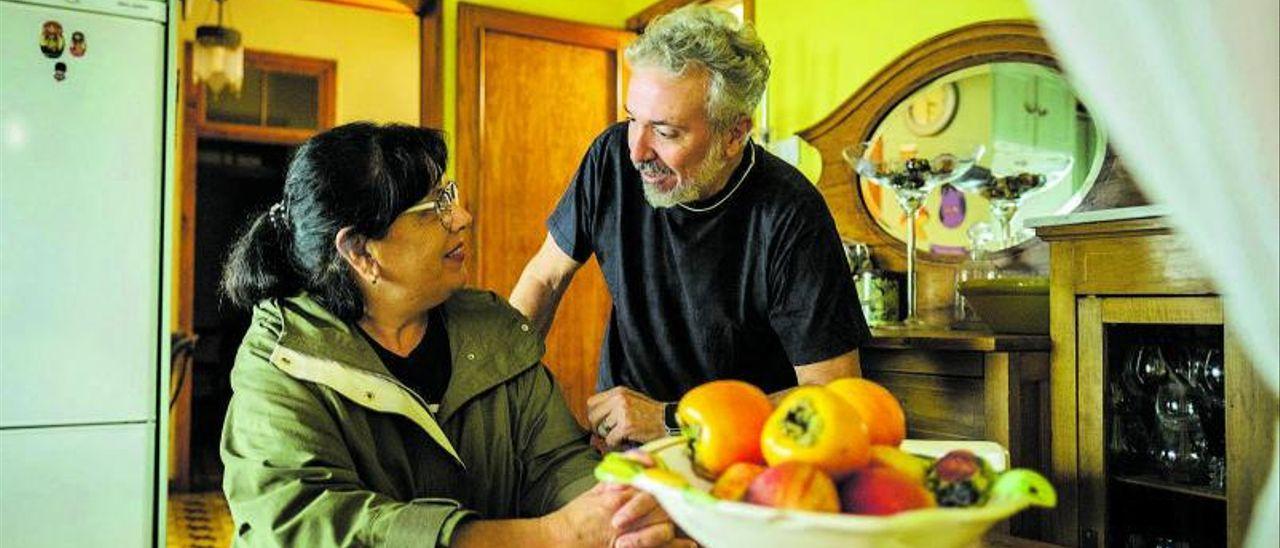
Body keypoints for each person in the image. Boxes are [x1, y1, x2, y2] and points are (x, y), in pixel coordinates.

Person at [219, 122, 688, 547]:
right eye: (433, 208)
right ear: (360, 251)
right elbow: (310, 527)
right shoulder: (280, 365)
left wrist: (619, 517)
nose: (461, 217)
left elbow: (559, 464)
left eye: (451, 194)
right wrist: (552, 535)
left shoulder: (492, 329)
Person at [509, 6, 870, 451]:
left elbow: (834, 394)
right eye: (632, 119)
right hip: (623, 451)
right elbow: (545, 276)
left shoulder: (790, 213)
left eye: (666, 132)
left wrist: (670, 419)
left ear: (734, 134)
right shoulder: (610, 159)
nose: (637, 150)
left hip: (741, 460)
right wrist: (497, 388)